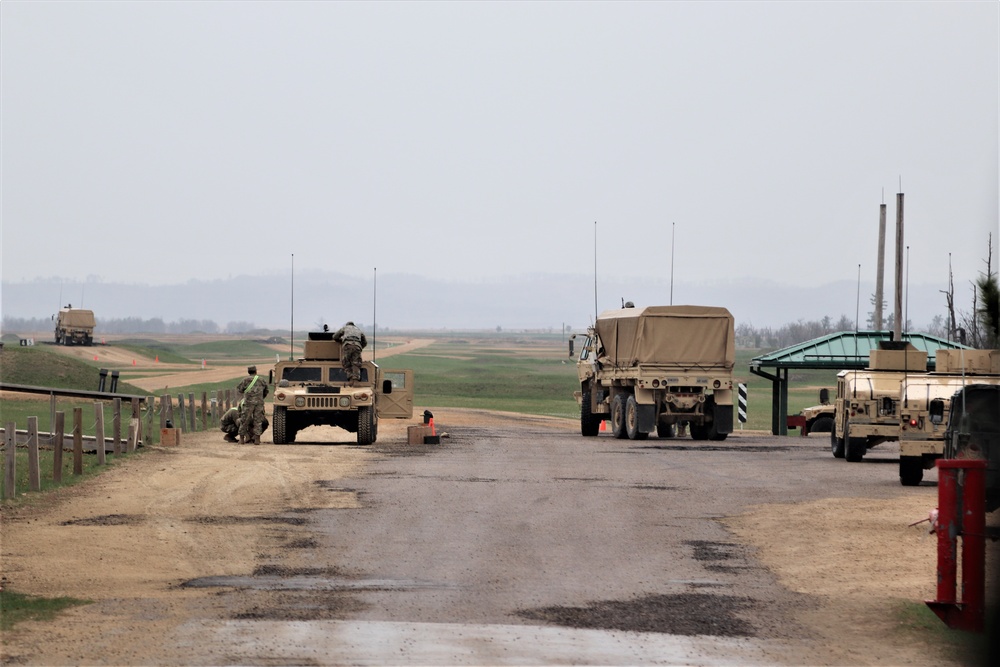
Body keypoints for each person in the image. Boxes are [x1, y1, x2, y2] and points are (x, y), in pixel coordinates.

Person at [236, 365, 269, 444]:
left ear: (248, 372)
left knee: (244, 420)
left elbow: (240, 390)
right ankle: (257, 439)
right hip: (259, 403)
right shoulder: (262, 380)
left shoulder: (245, 380)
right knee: (258, 420)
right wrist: (261, 397)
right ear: (256, 371)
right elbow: (266, 391)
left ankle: (241, 439)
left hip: (248, 403)